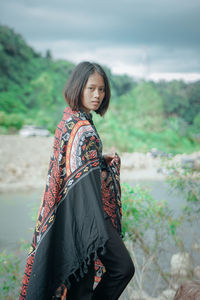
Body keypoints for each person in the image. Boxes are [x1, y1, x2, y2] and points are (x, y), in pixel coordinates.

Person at [19, 61, 134, 300]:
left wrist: (99, 160)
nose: (97, 95)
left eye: (102, 90)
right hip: (86, 217)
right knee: (119, 269)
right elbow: (73, 169)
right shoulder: (82, 128)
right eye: (91, 88)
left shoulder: (69, 120)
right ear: (78, 87)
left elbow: (71, 165)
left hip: (75, 215)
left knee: (79, 285)